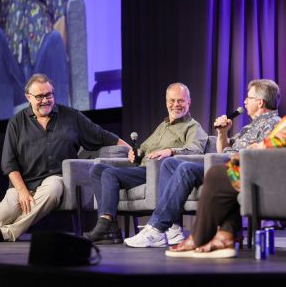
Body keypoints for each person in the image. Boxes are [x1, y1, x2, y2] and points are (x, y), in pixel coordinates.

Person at [166, 63, 286, 258]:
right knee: (229, 172)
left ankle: (199, 237)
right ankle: (226, 235)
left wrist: (254, 149)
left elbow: (276, 144)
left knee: (217, 174)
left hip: (285, 181)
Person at [0, 73, 129, 242]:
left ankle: (7, 233)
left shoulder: (71, 116)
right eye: (39, 96)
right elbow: (8, 163)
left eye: (49, 95)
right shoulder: (16, 122)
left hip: (56, 178)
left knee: (52, 189)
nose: (45, 100)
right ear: (28, 97)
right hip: (25, 182)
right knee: (2, 216)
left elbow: (103, 136)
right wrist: (22, 191)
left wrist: (131, 150)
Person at [124, 79, 281, 248]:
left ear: (260, 102)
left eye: (248, 98)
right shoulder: (248, 128)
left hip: (239, 172)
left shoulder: (273, 123)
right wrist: (222, 133)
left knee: (185, 168)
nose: (244, 101)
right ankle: (173, 228)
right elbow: (223, 152)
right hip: (224, 168)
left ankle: (156, 228)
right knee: (169, 164)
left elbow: (265, 156)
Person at [86, 83, 208, 244]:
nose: (176, 105)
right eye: (172, 101)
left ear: (189, 102)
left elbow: (196, 149)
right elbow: (144, 148)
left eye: (180, 101)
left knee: (109, 173)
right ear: (166, 103)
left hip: (159, 171)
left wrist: (170, 151)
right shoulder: (163, 126)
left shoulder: (193, 126)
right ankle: (111, 228)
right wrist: (136, 154)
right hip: (142, 169)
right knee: (97, 169)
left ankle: (105, 224)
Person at [0, 0, 69, 120]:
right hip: (12, 75)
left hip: (43, 72)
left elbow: (60, 28)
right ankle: (5, 134)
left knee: (55, 38)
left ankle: (60, 131)